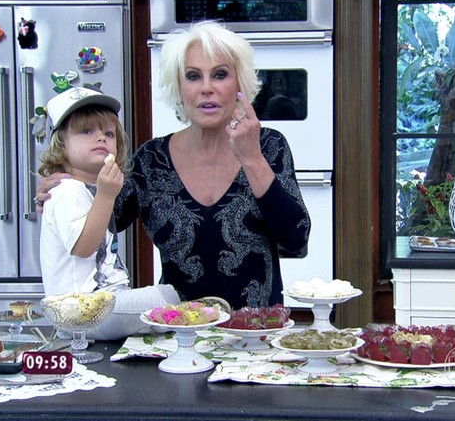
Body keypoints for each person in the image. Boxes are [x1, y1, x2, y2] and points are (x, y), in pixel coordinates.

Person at [36, 20, 311, 310]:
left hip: (258, 329)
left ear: (239, 84)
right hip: (176, 330)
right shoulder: (151, 161)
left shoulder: (268, 146)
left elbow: (296, 239)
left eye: (219, 75)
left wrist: (252, 158)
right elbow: (98, 223)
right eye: (193, 76)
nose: (206, 88)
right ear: (178, 89)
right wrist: (66, 190)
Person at [38, 87, 180, 340]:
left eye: (109, 133)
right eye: (86, 131)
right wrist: (106, 195)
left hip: (102, 304)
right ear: (60, 145)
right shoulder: (67, 190)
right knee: (166, 296)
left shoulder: (88, 189)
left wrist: (103, 193)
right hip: (79, 312)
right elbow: (84, 248)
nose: (101, 138)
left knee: (163, 314)